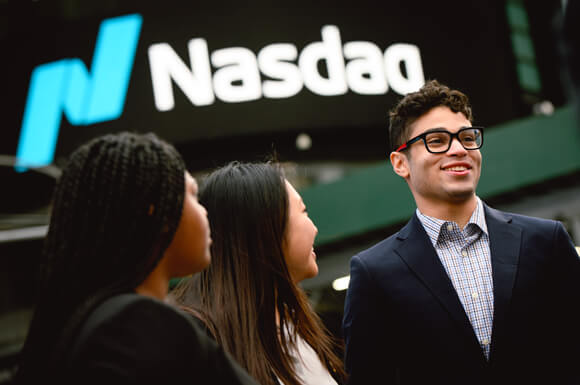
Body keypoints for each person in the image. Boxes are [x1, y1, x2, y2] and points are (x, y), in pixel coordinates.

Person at [342, 80, 580, 385]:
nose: (459, 149)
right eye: (437, 141)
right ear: (400, 163)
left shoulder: (546, 241)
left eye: (467, 138)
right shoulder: (373, 272)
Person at [14, 132, 259, 385]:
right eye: (193, 196)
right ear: (158, 213)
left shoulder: (89, 326)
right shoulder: (134, 325)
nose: (205, 211)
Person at [171, 161, 347, 385]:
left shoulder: (294, 326)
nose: (314, 228)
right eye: (303, 211)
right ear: (267, 229)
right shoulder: (199, 340)